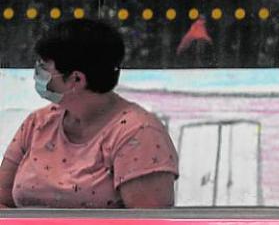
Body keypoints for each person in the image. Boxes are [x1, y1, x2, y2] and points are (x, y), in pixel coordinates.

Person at [0, 19, 178, 209]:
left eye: (44, 68)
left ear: (76, 79)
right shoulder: (38, 123)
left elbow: (149, 220)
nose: (37, 74)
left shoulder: (139, 134)